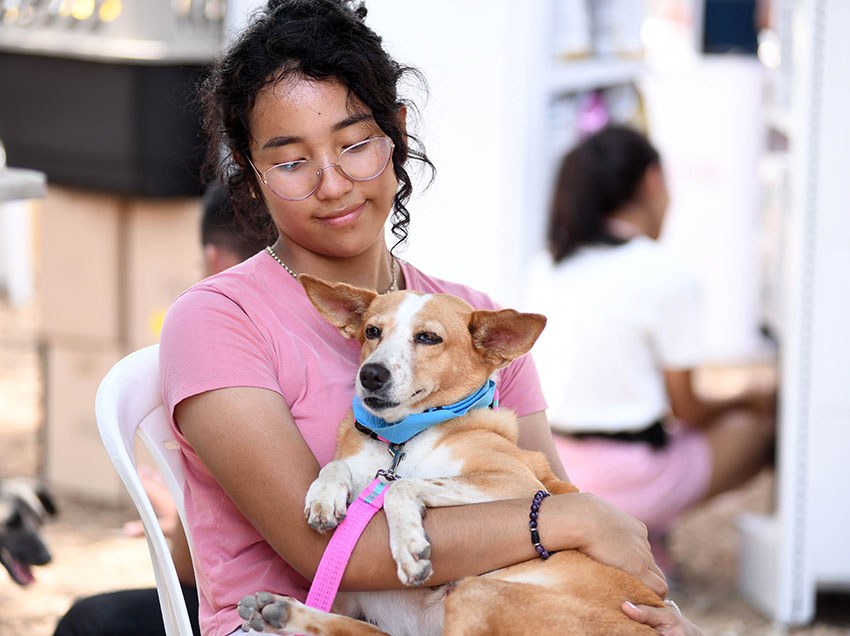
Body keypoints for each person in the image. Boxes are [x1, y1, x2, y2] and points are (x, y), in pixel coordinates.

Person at [158, 2, 700, 635]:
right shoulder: (218, 321)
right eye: (290, 161)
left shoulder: (470, 323)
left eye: (355, 144)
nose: (332, 184)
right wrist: (563, 520)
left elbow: (546, 492)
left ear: (398, 136)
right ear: (250, 174)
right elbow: (331, 551)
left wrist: (646, 614)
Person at [527, 124, 776, 577]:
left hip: (555, 472)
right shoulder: (665, 273)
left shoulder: (548, 264)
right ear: (653, 180)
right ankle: (644, 528)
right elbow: (690, 411)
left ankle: (629, 533)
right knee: (753, 430)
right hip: (630, 476)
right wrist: (751, 395)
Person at [52, 182, 266, 636]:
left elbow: (191, 573)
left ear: (213, 259)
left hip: (276, 606)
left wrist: (188, 516)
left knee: (87, 622)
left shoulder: (223, 354)